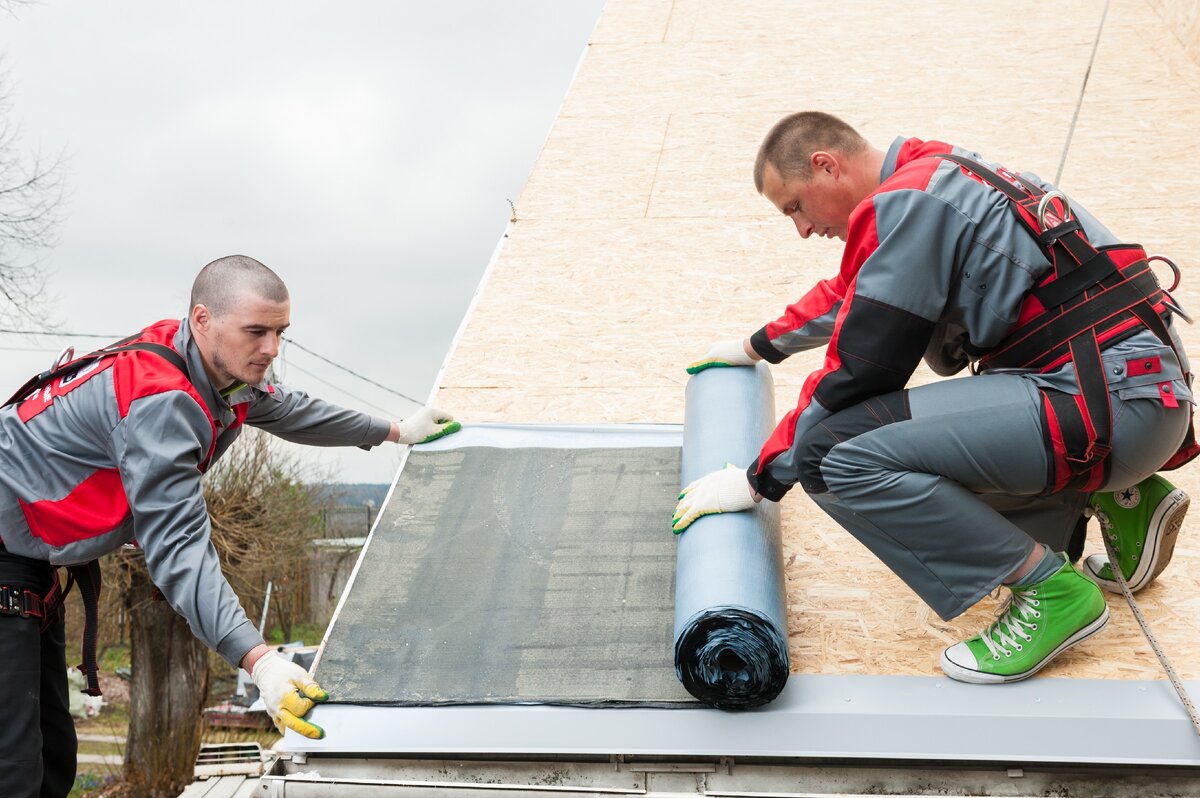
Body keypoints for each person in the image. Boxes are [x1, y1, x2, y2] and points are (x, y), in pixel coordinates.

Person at [673, 112, 1193, 685]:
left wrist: (760, 478)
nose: (801, 229)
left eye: (795, 206)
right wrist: (755, 347)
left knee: (833, 455)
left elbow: (861, 367)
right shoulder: (935, 173)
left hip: (1105, 411)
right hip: (1137, 396)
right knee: (887, 436)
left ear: (826, 164)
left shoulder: (912, 203)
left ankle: (1049, 591)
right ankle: (1125, 494)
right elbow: (854, 294)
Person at [0, 255, 460, 797]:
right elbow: (179, 549)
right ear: (202, 319)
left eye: (280, 332)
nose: (271, 349)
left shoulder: (203, 365)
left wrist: (392, 431)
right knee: (14, 768)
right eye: (256, 332)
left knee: (53, 757)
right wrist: (259, 660)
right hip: (10, 557)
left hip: (31, 558)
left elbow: (288, 409)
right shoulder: (160, 402)